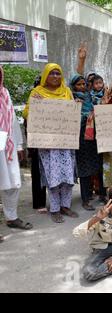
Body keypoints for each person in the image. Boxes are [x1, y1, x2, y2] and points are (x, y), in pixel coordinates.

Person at [24, 63, 78, 223]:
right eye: (52, 73)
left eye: (58, 73)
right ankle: (54, 209)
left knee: (68, 175)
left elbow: (72, 113)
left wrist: (75, 107)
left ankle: (65, 206)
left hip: (66, 142)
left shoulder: (67, 91)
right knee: (53, 176)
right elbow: (26, 113)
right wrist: (36, 104)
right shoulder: (37, 92)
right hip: (48, 144)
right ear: (46, 75)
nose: (55, 76)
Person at [0, 65, 33, 242]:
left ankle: (11, 217)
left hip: (8, 146)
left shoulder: (4, 93)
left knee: (13, 184)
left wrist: (19, 145)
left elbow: (12, 121)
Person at [69, 74, 102, 211]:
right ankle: (85, 199)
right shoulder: (70, 98)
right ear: (73, 86)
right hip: (80, 137)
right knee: (84, 168)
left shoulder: (90, 96)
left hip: (94, 136)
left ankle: (98, 194)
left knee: (96, 165)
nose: (82, 87)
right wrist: (75, 107)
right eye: (78, 84)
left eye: (83, 84)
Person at [25, 74, 47, 213]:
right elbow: (26, 115)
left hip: (55, 141)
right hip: (38, 143)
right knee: (38, 172)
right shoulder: (33, 97)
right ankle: (39, 203)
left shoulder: (59, 95)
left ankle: (58, 204)